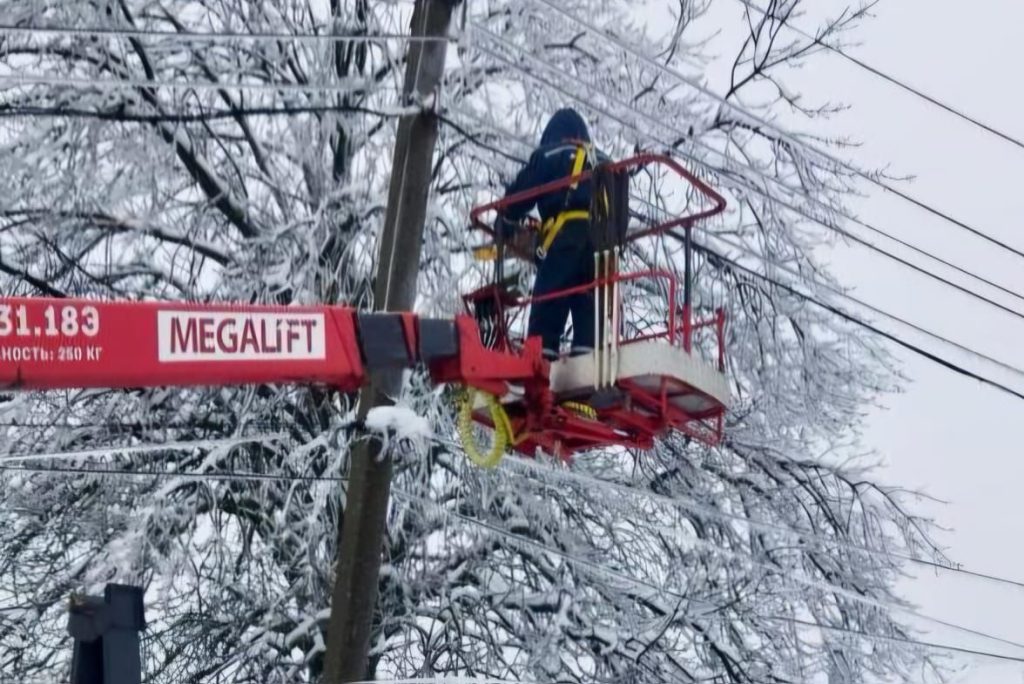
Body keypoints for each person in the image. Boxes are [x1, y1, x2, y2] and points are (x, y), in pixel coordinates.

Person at [497, 108, 610, 361]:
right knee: (588, 299)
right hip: (601, 243)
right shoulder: (605, 162)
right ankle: (587, 355)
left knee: (550, 296)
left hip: (565, 237)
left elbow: (522, 192)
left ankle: (540, 356)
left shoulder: (550, 155)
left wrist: (506, 217)